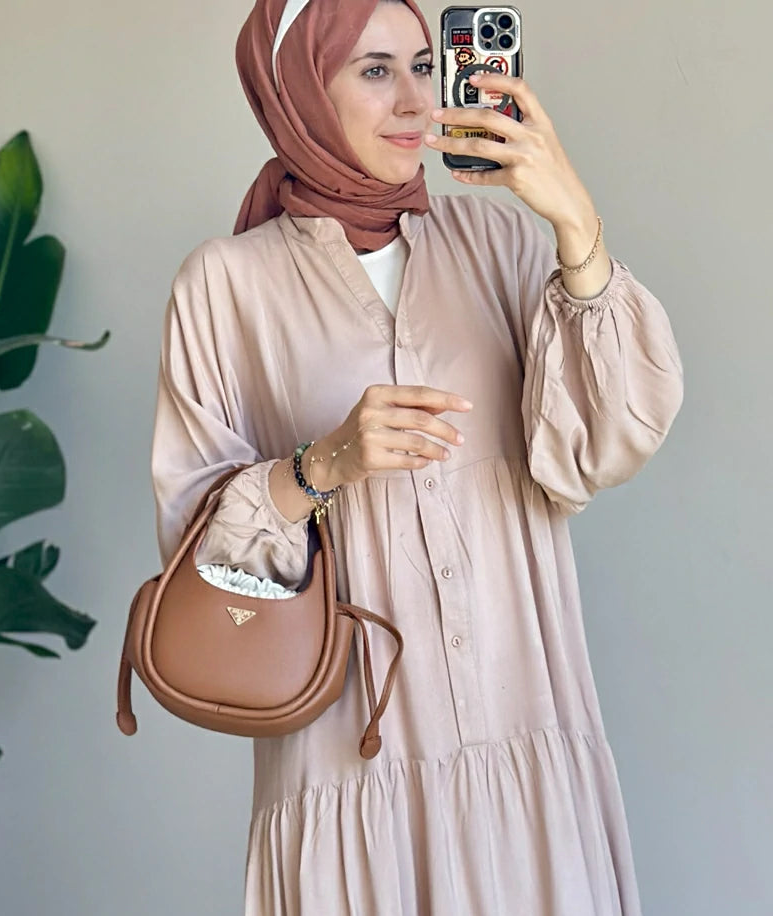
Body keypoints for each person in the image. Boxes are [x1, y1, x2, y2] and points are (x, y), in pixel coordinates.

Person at [151, 0, 684, 912]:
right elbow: (197, 559)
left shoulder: (500, 243)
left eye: (425, 65)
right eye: (374, 70)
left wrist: (575, 224)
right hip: (352, 766)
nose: (415, 100)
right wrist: (321, 466)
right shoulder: (225, 283)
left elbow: (605, 442)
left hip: (526, 738)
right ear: (297, 91)